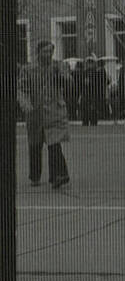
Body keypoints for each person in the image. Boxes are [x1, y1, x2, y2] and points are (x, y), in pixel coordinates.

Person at [16, 39, 73, 189]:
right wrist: (25, 104)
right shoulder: (27, 70)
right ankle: (35, 176)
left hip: (54, 112)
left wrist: (64, 75)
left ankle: (58, 176)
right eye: (45, 51)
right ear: (38, 52)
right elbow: (21, 89)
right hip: (35, 113)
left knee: (54, 144)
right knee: (35, 145)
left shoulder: (57, 66)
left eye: (50, 51)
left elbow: (69, 83)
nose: (48, 54)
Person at [79, 54, 108, 125]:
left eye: (91, 62)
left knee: (93, 110)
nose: (89, 64)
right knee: (85, 110)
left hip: (93, 94)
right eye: (88, 62)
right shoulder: (84, 73)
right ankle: (86, 122)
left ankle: (92, 122)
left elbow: (101, 83)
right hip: (86, 94)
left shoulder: (97, 73)